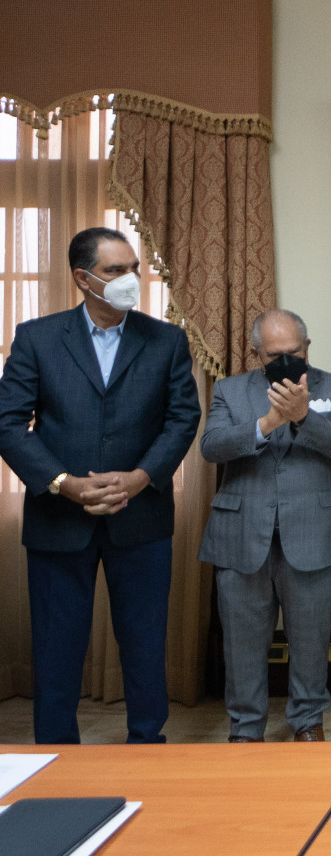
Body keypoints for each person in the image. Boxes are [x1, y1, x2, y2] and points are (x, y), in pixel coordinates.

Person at [0, 227, 200, 744]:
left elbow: (182, 419)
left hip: (141, 517)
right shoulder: (37, 337)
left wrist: (140, 478)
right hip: (58, 519)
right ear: (83, 279)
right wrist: (62, 483)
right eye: (115, 270)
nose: (130, 278)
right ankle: (56, 755)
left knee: (144, 646)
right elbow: (8, 423)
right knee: (56, 648)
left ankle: (147, 747)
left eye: (134, 268)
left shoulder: (167, 340)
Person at [197, 309, 331, 743]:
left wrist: (305, 416)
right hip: (241, 533)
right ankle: (245, 728)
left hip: (316, 533)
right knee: (241, 641)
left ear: (306, 346)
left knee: (311, 638)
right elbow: (211, 447)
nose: (286, 360)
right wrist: (268, 423)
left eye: (294, 351)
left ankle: (308, 721)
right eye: (275, 355)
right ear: (257, 353)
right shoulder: (230, 390)